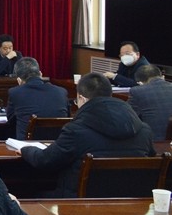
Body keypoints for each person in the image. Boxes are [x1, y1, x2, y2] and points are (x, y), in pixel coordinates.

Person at [19, 72, 155, 197]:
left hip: (79, 203)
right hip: (131, 203)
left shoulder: (75, 131)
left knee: (27, 194)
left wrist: (25, 149)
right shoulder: (144, 130)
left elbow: (45, 160)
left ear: (81, 98)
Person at [6, 57, 70, 140]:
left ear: (19, 80)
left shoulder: (15, 92)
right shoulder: (61, 92)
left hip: (27, 145)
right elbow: (67, 117)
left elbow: (11, 121)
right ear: (40, 74)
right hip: (57, 143)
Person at [129, 65, 172, 142]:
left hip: (155, 142)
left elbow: (128, 118)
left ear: (140, 82)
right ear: (161, 75)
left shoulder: (137, 91)